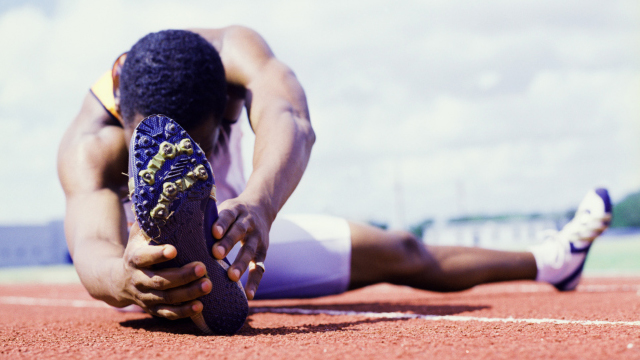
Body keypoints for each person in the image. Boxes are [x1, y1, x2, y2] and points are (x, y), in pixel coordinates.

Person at [58, 27, 611, 324]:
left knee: (403, 249)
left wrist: (258, 205)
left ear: (228, 106)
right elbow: (91, 246)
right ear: (127, 128)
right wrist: (124, 279)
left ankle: (554, 261)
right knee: (145, 285)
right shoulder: (92, 142)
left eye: (197, 149)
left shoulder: (236, 58)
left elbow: (291, 119)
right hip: (147, 260)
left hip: (236, 224)